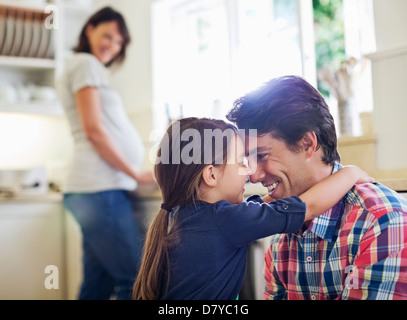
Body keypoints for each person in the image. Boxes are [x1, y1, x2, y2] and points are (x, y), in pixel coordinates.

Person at [132, 117, 373, 300]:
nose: (250, 173)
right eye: (240, 162)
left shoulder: (179, 217)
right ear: (211, 174)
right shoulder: (227, 221)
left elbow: (265, 206)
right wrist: (349, 173)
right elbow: (307, 207)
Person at [226, 75, 407, 300]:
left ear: (308, 144)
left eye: (262, 155)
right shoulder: (281, 236)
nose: (253, 175)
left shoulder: (383, 222)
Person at [56, 7, 155, 300]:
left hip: (94, 191)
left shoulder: (86, 67)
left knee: (97, 285)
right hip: (99, 189)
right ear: (90, 29)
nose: (112, 45)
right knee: (135, 279)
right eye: (107, 35)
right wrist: (135, 173)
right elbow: (94, 131)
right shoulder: (85, 63)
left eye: (118, 42)